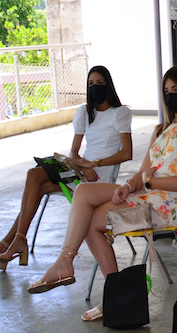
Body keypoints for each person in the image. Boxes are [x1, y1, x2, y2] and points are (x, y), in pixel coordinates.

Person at [26, 66, 177, 323]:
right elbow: (142, 173)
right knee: (84, 194)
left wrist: (149, 182)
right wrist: (129, 186)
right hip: (144, 196)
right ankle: (73, 266)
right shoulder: (160, 130)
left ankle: (97, 287)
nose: (170, 96)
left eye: (175, 90)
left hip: (165, 208)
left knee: (88, 219)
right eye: (166, 91)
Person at [0, 66, 133, 271]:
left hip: (98, 178)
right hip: (79, 171)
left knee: (40, 186)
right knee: (34, 174)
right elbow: (73, 152)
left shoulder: (120, 113)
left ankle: (11, 241)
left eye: (99, 84)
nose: (94, 88)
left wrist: (93, 164)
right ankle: (17, 239)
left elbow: (127, 153)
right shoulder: (85, 112)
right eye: (90, 84)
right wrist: (81, 163)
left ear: (108, 85)